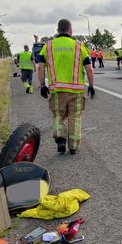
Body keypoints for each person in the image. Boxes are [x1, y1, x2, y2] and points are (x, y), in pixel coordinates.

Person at [37, 19, 95, 155]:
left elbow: (40, 67)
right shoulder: (79, 46)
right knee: (75, 117)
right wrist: (91, 85)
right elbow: (89, 69)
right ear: (71, 30)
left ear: (58, 30)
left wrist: (42, 85)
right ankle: (73, 146)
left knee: (59, 115)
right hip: (76, 91)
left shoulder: (48, 46)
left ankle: (60, 138)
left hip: (57, 91)